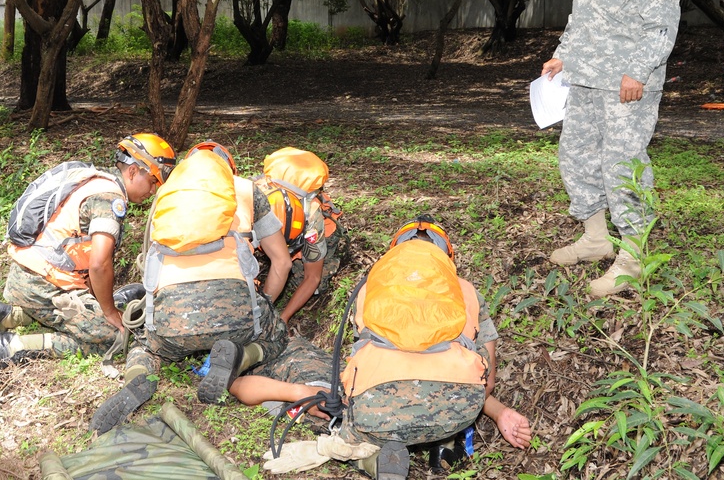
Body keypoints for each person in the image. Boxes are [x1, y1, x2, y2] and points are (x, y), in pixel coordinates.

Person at [228, 217, 533, 480]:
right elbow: (486, 380)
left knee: (335, 394)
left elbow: (358, 359)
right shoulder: (467, 291)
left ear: (394, 254)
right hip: (458, 410)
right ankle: (443, 442)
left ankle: (369, 454)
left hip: (374, 413)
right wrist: (501, 412)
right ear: (448, 258)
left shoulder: (371, 286)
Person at [542, 0, 682, 298]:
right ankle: (596, 238)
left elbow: (663, 23)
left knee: (624, 163)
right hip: (585, 74)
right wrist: (563, 55)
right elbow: (582, 10)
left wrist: (638, 70)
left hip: (626, 80)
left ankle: (634, 257)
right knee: (577, 155)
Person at [90, 142, 295, 434]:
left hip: (171, 322)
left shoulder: (166, 193)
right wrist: (263, 308)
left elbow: (152, 264)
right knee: (274, 335)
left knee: (146, 347)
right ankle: (241, 355)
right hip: (236, 316)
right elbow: (283, 263)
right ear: (228, 168)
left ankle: (138, 376)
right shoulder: (247, 190)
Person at [0, 133, 176, 375]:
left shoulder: (97, 180)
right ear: (134, 172)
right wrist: (108, 313)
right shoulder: (110, 198)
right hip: (43, 285)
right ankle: (12, 347)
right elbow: (99, 264)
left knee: (103, 313)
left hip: (28, 277)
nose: (154, 190)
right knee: (114, 336)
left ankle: (10, 315)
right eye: (153, 181)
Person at [252, 147, 348, 324]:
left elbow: (313, 277)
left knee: (314, 283)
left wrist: (284, 317)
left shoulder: (312, 217)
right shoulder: (249, 198)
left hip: (309, 236)